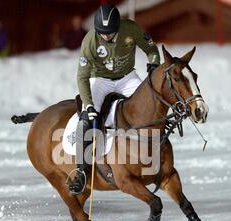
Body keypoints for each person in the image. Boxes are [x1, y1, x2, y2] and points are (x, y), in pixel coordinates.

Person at [68, 3, 161, 195]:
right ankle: (81, 171)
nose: (106, 36)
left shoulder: (131, 29)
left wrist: (153, 64)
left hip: (127, 78)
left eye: (110, 32)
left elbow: (151, 49)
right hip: (100, 80)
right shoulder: (90, 41)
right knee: (87, 118)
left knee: (150, 105)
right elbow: (82, 77)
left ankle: (157, 154)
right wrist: (90, 105)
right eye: (103, 32)